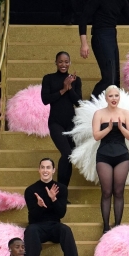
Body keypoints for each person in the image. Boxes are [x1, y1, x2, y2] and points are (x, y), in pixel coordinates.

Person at [24, 158, 81, 256]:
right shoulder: (30, 190)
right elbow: (33, 215)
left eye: (48, 167)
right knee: (30, 230)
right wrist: (39, 205)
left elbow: (61, 214)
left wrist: (54, 199)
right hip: (37, 226)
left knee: (66, 229)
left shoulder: (61, 188)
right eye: (43, 167)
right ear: (39, 170)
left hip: (54, 226)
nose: (45, 170)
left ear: (53, 170)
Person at [93, 85, 129, 231]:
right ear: (106, 98)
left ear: (119, 97)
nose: (114, 98)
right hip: (104, 155)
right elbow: (96, 136)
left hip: (121, 155)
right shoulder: (99, 113)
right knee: (106, 192)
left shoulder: (125, 113)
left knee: (118, 191)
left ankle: (117, 226)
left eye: (116, 96)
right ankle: (105, 226)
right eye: (111, 96)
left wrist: (120, 127)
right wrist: (109, 128)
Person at [41, 51, 82, 186]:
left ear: (70, 63)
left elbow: (78, 103)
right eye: (60, 61)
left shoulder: (76, 80)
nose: (63, 64)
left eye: (66, 62)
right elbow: (45, 99)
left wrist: (70, 88)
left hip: (71, 124)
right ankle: (60, 190)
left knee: (69, 157)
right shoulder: (48, 78)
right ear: (56, 62)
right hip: (55, 123)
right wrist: (63, 89)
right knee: (66, 153)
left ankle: (63, 192)